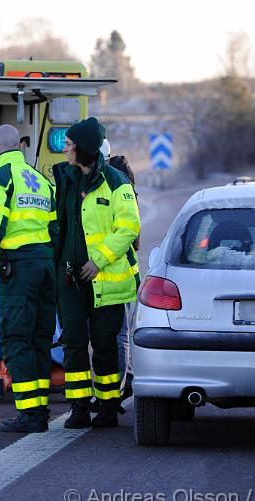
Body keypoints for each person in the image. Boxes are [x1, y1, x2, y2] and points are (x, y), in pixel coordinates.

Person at [0, 125, 58, 433]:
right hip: (45, 266)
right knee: (39, 339)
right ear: (18, 145)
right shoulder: (42, 181)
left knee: (16, 338)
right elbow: (56, 230)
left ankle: (31, 415)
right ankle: (40, 408)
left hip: (18, 269)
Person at [52, 117, 140, 429]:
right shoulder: (64, 179)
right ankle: (78, 407)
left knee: (104, 344)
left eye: (70, 144)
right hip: (70, 279)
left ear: (84, 149)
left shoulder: (117, 182)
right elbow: (57, 223)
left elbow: (129, 227)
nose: (65, 149)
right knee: (73, 344)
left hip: (105, 280)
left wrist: (98, 260)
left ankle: (106, 407)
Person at [100, 140, 141, 400]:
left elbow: (131, 235)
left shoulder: (118, 184)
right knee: (118, 334)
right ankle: (123, 381)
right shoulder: (120, 179)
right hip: (114, 272)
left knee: (119, 335)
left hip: (119, 272)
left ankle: (119, 387)